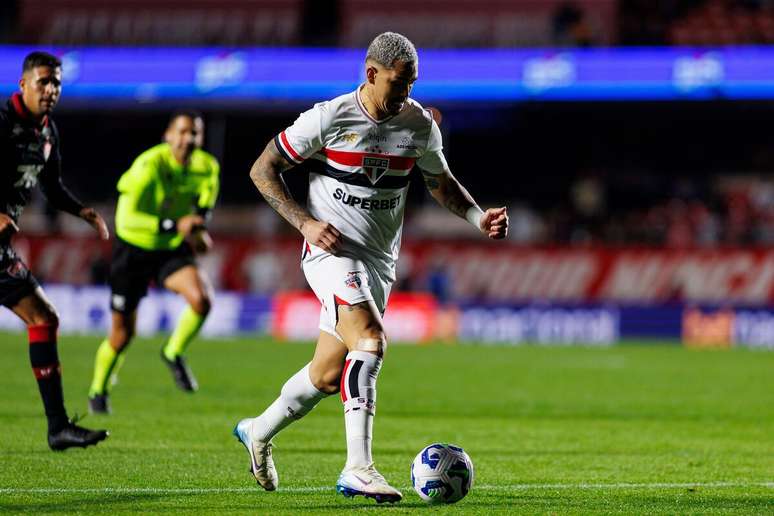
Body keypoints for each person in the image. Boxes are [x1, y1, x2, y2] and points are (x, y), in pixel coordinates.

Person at [233, 32, 508, 503]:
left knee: (325, 373)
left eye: (413, 84)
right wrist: (304, 223)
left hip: (379, 262)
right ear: (371, 74)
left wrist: (477, 216)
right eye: (399, 83)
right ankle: (358, 468)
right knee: (372, 340)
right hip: (331, 252)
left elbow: (440, 183)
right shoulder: (329, 117)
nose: (407, 93)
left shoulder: (418, 124)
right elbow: (263, 169)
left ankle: (258, 430)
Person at [0, 51, 110, 450]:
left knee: (43, 317)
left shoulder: (47, 133)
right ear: (23, 85)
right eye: (44, 81)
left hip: (0, 251)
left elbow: (51, 188)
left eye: (57, 83)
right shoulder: (3, 122)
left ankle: (58, 427)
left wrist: (83, 212)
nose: (51, 90)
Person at [87, 111, 220, 414]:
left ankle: (173, 353)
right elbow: (124, 219)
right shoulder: (148, 166)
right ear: (168, 136)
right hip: (133, 250)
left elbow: (202, 208)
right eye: (182, 132)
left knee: (202, 300)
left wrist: (198, 231)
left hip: (168, 251)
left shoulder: (207, 167)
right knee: (122, 336)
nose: (188, 139)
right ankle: (99, 391)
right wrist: (176, 226)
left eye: (194, 133)